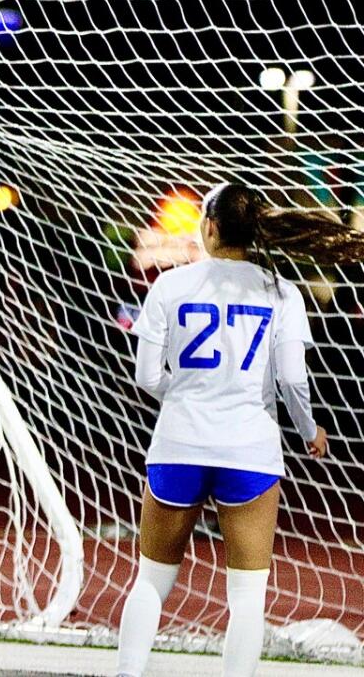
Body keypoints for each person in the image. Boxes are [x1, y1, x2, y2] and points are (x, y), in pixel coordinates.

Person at [117, 182, 364, 676]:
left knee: (151, 580)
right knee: (248, 596)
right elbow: (293, 378)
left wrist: (188, 396)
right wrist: (309, 428)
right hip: (248, 451)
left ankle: (127, 673)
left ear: (208, 226)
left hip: (179, 445)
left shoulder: (170, 286)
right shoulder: (282, 292)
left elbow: (146, 377)